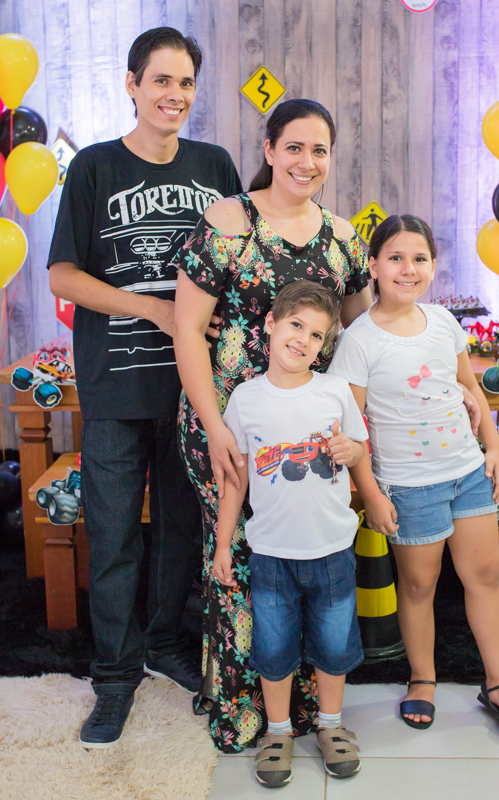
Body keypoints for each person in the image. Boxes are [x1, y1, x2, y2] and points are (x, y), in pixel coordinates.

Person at [47, 27, 242, 750]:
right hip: (114, 386)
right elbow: (63, 276)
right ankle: (114, 676)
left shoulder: (215, 164)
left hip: (196, 389)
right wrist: (156, 307)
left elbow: (238, 260)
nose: (174, 95)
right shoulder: (94, 169)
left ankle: (164, 644)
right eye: (160, 80)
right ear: (131, 85)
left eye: (186, 82)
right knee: (114, 534)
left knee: (182, 533)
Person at [171, 99, 372, 752]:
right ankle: (246, 711)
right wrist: (213, 426)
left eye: (319, 150)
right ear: (268, 148)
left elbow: (361, 337)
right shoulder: (229, 222)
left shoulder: (343, 238)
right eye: (294, 147)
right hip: (230, 425)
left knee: (309, 560)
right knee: (242, 559)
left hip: (311, 436)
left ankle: (311, 713)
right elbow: (187, 329)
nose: (306, 162)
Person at [329, 214, 499, 739]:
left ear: (434, 267)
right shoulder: (359, 340)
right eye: (394, 257)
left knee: (483, 576)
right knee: (419, 584)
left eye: (419, 258)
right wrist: (370, 493)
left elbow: (471, 389)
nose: (407, 268)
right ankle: (422, 678)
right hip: (408, 484)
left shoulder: (443, 322)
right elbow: (353, 430)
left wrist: (492, 447)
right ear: (372, 266)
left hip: (466, 472)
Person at [211, 281, 367, 787]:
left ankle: (330, 725)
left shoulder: (334, 391)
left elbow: (359, 449)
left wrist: (350, 452)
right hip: (271, 554)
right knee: (275, 650)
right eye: (296, 326)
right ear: (272, 326)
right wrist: (221, 545)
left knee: (334, 645)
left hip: (333, 549)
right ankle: (277, 732)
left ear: (325, 346)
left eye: (317, 335)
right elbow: (236, 480)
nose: (303, 340)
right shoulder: (246, 399)